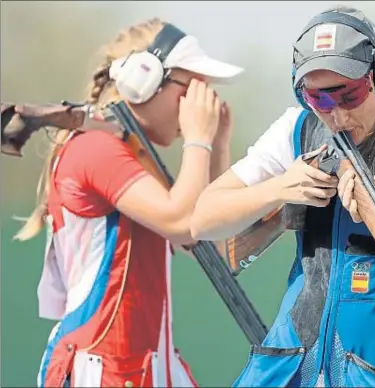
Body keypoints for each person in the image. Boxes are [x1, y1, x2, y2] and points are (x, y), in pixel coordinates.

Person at [190, 5, 375, 388]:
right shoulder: (296, 128)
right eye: (319, 99)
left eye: (350, 95)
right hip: (296, 365)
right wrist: (281, 188)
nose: (337, 115)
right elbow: (203, 219)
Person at [14, 18, 244, 388]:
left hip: (145, 366)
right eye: (192, 88)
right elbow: (181, 221)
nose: (200, 104)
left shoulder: (135, 156)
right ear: (144, 79)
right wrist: (198, 140)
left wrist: (217, 146)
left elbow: (208, 243)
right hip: (102, 367)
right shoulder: (95, 149)